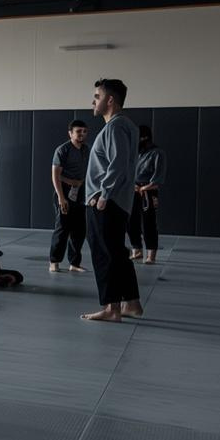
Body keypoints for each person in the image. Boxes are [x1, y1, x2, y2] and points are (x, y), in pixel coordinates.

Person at [81, 78, 144, 322]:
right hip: (118, 201)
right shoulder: (126, 126)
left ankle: (111, 308)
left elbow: (118, 164)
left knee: (103, 253)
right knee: (117, 253)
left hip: (105, 202)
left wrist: (104, 195)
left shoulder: (115, 127)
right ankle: (132, 303)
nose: (93, 100)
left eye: (97, 96)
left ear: (110, 100)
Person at [49, 119, 89, 273]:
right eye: (78, 131)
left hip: (80, 191)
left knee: (79, 230)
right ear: (70, 133)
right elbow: (55, 175)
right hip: (64, 191)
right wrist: (61, 197)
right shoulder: (63, 150)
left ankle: (74, 263)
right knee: (62, 228)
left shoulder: (87, 149)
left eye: (84, 131)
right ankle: (54, 261)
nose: (82, 134)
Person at [128, 125, 166, 264]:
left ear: (144, 137)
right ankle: (136, 250)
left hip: (149, 192)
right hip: (133, 189)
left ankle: (151, 255)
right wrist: (133, 186)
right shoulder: (135, 153)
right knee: (131, 221)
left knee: (149, 223)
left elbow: (158, 178)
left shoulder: (157, 153)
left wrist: (144, 188)